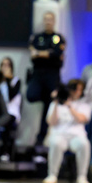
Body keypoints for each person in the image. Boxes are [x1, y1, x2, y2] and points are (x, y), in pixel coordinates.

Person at [44, 78, 91, 183]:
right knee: (56, 143)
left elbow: (81, 119)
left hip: (76, 135)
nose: (77, 92)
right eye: (75, 89)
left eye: (79, 90)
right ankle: (52, 176)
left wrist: (69, 105)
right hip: (59, 134)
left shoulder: (84, 105)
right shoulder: (55, 104)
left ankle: (82, 177)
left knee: (84, 144)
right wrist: (57, 102)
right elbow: (51, 122)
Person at [27, 11, 66, 144]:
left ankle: (41, 139)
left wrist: (40, 53)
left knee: (49, 107)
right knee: (31, 95)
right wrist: (47, 53)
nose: (48, 22)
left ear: (54, 21)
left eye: (50, 19)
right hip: (38, 74)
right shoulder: (37, 37)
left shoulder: (58, 37)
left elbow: (57, 54)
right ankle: (44, 95)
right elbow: (33, 54)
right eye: (46, 19)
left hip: (52, 76)